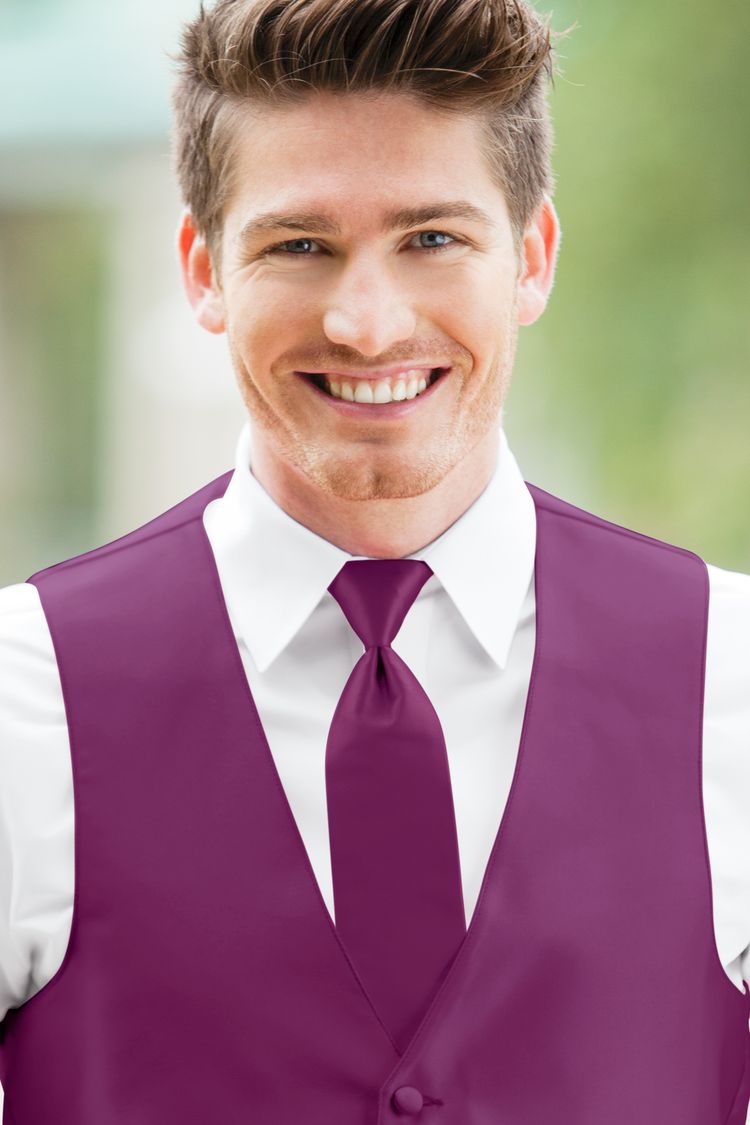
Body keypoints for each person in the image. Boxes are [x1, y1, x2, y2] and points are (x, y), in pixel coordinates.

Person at [0, 0, 748, 1120]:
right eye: (300, 245)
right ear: (203, 269)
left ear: (532, 258)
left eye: (432, 239)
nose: (366, 323)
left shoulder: (731, 676)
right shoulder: (23, 698)